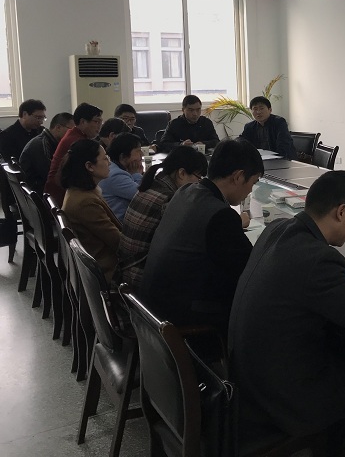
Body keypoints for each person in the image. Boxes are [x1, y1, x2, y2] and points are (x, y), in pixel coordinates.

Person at [228, 171, 345, 457]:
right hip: (282, 399)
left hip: (248, 380)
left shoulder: (277, 229)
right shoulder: (319, 259)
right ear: (342, 211)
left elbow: (296, 278)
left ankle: (338, 438)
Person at [140, 138, 262, 338]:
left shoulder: (185, 192)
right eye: (253, 182)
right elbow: (250, 272)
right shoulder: (221, 216)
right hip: (183, 324)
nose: (250, 190)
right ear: (239, 176)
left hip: (151, 312)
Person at [115, 146, 208, 289]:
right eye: (198, 177)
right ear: (182, 173)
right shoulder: (168, 199)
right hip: (142, 280)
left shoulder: (151, 185)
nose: (198, 184)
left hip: (127, 274)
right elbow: (185, 244)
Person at [61, 138, 121, 282]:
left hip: (98, 262)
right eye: (105, 158)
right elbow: (118, 242)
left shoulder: (79, 191)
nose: (109, 163)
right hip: (109, 269)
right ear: (89, 166)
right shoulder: (85, 202)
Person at [45, 103, 103, 205]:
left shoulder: (74, 134)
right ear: (83, 122)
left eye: (101, 122)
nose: (100, 126)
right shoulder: (76, 141)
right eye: (96, 121)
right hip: (61, 195)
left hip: (60, 192)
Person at [19, 111, 74, 192]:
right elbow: (50, 174)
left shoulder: (50, 141)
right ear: (58, 128)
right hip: (38, 190)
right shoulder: (41, 144)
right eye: (71, 130)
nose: (72, 134)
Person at [99, 133, 143, 222]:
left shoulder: (115, 168)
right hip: (121, 226)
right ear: (123, 157)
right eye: (138, 151)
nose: (141, 154)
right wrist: (136, 174)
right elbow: (143, 196)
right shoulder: (116, 175)